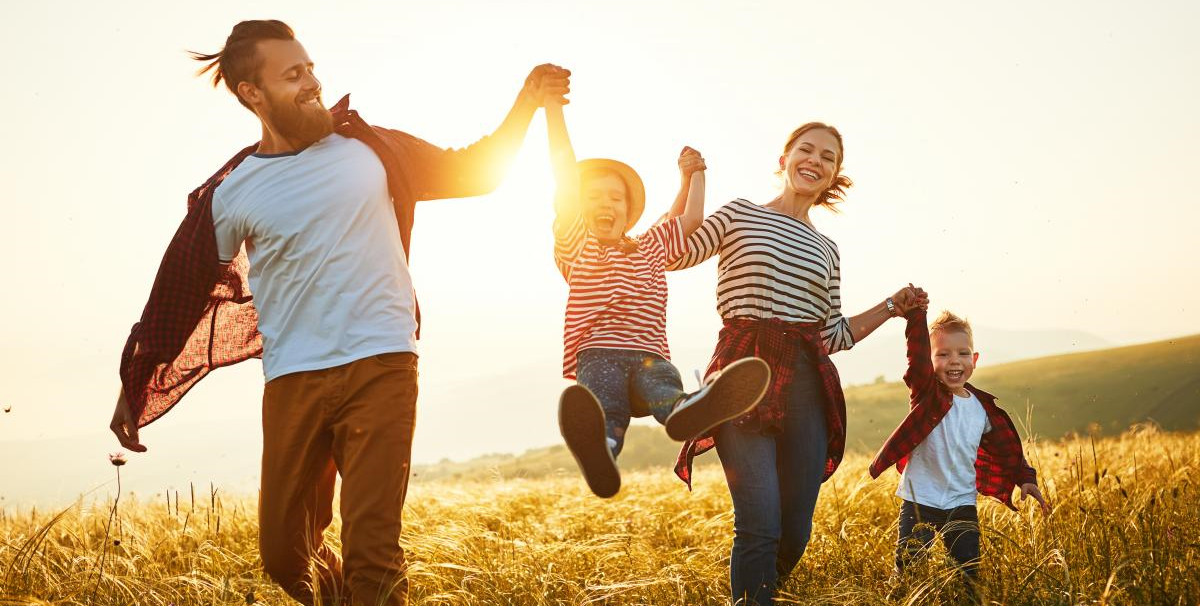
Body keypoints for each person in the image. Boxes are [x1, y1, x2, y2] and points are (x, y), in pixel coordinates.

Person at [107, 19, 569, 605]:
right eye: (293, 74)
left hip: (382, 364)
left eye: (311, 68)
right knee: (284, 554)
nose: (312, 83)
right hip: (293, 379)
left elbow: (473, 170)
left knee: (373, 553)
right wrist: (137, 381)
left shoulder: (370, 148)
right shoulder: (234, 191)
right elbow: (181, 290)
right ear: (253, 93)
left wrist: (526, 101)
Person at [667, 122, 926, 605]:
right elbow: (678, 251)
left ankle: (757, 594)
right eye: (806, 150)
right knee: (759, 524)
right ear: (784, 158)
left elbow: (832, 335)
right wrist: (692, 181)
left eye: (828, 157)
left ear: (833, 176)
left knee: (794, 531)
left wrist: (893, 306)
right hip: (741, 378)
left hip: (806, 385)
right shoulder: (740, 214)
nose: (815, 160)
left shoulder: (828, 250)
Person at [544, 101, 769, 499]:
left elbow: (690, 219)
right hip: (599, 355)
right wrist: (553, 113)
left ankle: (690, 411)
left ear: (629, 212)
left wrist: (695, 175)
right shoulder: (578, 245)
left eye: (615, 199)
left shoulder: (650, 245)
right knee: (605, 410)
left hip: (650, 356)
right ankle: (603, 453)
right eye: (593, 198)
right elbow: (563, 172)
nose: (605, 204)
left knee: (664, 390)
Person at [869, 305, 1051, 582]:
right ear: (929, 363)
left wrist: (1024, 477)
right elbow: (916, 357)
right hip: (920, 500)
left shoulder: (982, 408)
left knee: (968, 574)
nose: (955, 361)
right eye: (943, 354)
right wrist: (916, 314)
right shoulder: (927, 395)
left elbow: (1007, 450)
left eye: (963, 353)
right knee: (909, 571)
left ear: (975, 359)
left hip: (962, 502)